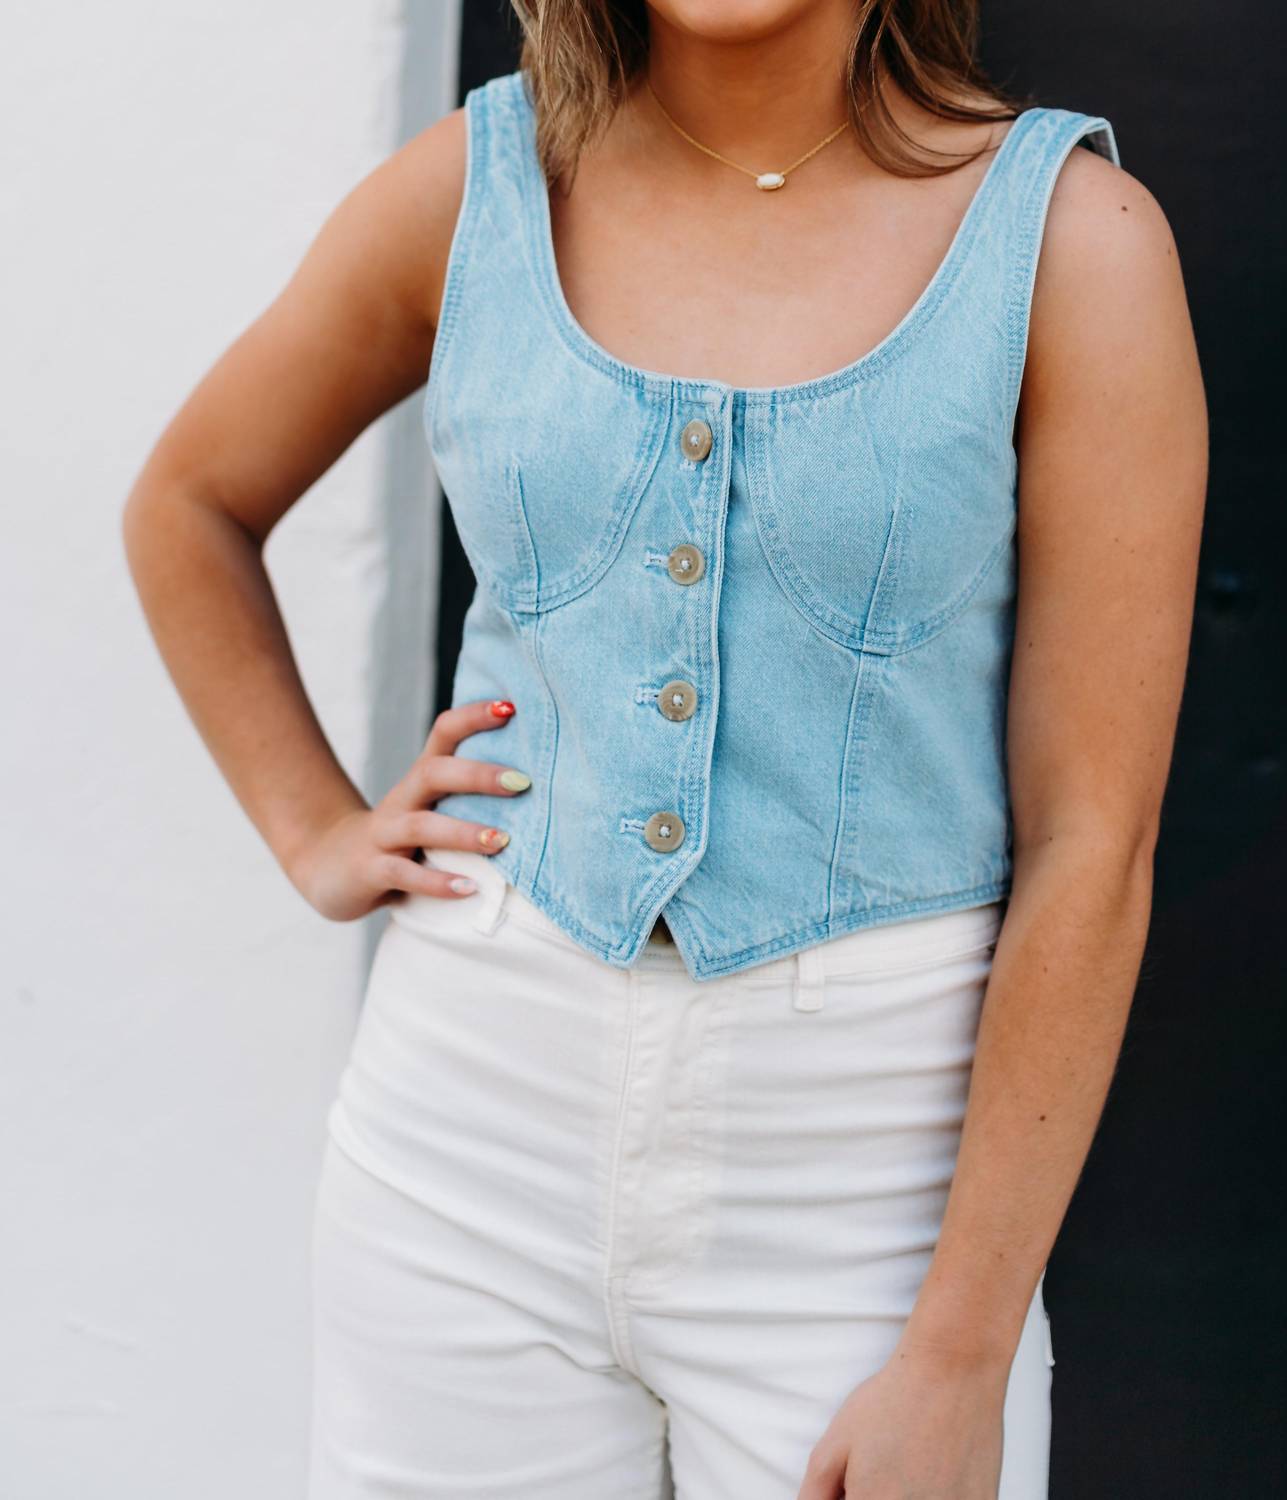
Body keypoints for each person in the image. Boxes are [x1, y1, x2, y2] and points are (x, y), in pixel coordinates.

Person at [122, 1, 1207, 1495]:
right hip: (463, 1128)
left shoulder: (1074, 242)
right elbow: (188, 502)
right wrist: (314, 829)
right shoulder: (483, 184)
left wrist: (963, 1350)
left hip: (872, 1181)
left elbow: (1094, 843)